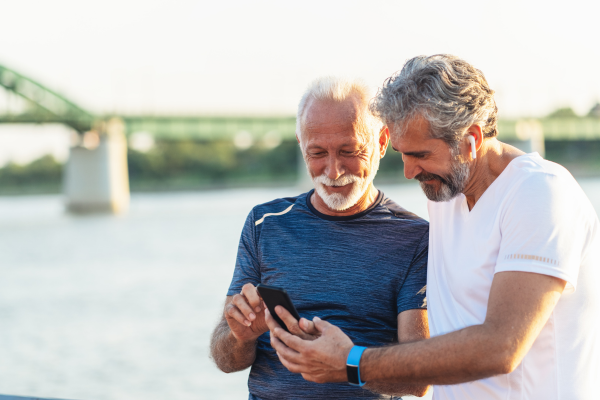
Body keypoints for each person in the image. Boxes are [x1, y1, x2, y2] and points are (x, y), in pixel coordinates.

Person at [266, 55, 600, 400]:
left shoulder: (539, 194)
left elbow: (501, 347)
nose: (409, 172)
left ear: (470, 140)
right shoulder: (446, 195)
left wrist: (353, 362)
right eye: (402, 154)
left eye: (421, 155)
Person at [209, 77, 432, 399]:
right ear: (301, 144)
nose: (334, 170)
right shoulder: (264, 223)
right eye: (317, 152)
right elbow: (225, 360)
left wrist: (347, 364)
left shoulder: (415, 238)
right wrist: (240, 336)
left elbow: (419, 380)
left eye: (349, 151)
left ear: (382, 142)